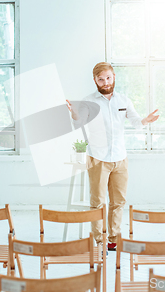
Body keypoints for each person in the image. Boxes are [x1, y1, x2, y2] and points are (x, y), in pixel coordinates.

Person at [66, 62, 159, 251]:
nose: (105, 82)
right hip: (97, 157)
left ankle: (113, 240)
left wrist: (145, 121)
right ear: (95, 80)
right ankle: (100, 241)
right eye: (101, 79)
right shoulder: (88, 102)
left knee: (118, 202)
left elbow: (134, 121)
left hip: (120, 158)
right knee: (98, 202)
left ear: (114, 76)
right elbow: (79, 123)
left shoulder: (123, 100)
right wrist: (75, 115)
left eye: (108, 78)